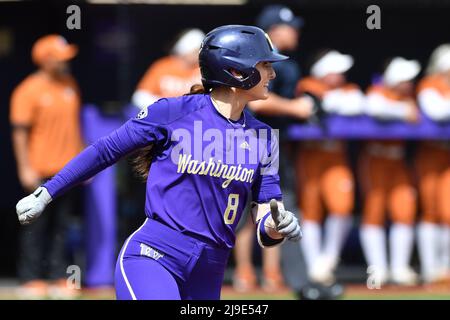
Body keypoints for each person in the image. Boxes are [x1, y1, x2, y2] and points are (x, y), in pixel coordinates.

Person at [15, 25, 302, 300]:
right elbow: (105, 151)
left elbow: (266, 215)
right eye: (265, 65)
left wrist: (277, 226)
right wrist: (47, 192)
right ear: (237, 71)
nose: (273, 73)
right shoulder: (172, 112)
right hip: (154, 257)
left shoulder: (264, 137)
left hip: (210, 269)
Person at [234, 4, 312, 294]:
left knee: (275, 208)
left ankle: (272, 274)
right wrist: (296, 108)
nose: (296, 32)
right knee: (241, 212)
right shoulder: (249, 56)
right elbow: (252, 99)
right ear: (275, 30)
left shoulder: (288, 65)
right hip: (243, 140)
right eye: (290, 27)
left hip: (273, 142)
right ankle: (244, 273)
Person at [10, 34, 83, 299]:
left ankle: (57, 277)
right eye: (60, 58)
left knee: (64, 227)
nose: (66, 63)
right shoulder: (28, 90)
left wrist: (82, 162)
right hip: (40, 168)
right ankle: (31, 279)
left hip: (67, 171)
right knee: (35, 226)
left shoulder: (70, 85)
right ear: (46, 60)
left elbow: (75, 128)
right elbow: (19, 133)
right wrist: (24, 167)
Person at [294, 49, 364, 286]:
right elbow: (309, 106)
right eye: (337, 71)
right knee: (311, 210)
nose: (342, 75)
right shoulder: (307, 84)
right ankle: (314, 266)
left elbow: (356, 105)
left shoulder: (348, 89)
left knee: (342, 206)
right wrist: (324, 103)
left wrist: (328, 103)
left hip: (336, 155)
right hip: (311, 154)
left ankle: (328, 258)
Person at [360, 57, 420, 286]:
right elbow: (374, 108)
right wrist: (403, 111)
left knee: (405, 211)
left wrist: (406, 108)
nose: (409, 83)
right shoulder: (378, 92)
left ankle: (399, 269)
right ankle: (378, 270)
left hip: (398, 161)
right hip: (375, 159)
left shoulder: (409, 97)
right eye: (405, 79)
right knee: (374, 212)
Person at [415, 44, 450, 284]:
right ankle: (430, 269)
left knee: (448, 211)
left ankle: (445, 269)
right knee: (430, 210)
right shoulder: (429, 84)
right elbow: (437, 111)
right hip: (430, 153)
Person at [131, 28, 205, 110]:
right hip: (166, 117)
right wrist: (165, 106)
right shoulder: (163, 67)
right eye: (195, 51)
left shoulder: (203, 68)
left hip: (195, 117)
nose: (198, 54)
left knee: (198, 122)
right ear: (185, 50)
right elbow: (140, 96)